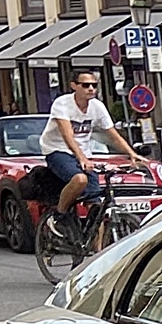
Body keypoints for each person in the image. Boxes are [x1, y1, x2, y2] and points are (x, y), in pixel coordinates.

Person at [42, 70, 135, 219]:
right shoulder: (62, 103)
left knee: (97, 210)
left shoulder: (97, 106)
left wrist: (132, 154)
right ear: (74, 86)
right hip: (58, 150)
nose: (91, 89)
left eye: (94, 85)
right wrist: (82, 158)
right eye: (85, 85)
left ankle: (98, 242)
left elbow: (113, 135)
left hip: (84, 154)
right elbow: (67, 135)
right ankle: (59, 216)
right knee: (80, 179)